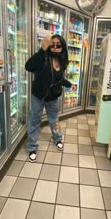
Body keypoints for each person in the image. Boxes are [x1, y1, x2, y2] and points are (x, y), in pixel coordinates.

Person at [25, 34, 76, 162]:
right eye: (52, 44)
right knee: (35, 120)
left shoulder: (62, 61)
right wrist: (42, 50)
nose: (55, 47)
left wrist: (69, 84)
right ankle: (32, 146)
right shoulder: (43, 57)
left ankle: (57, 138)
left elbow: (59, 79)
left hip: (53, 97)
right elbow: (28, 66)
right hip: (39, 96)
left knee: (54, 120)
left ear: (62, 47)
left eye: (58, 45)